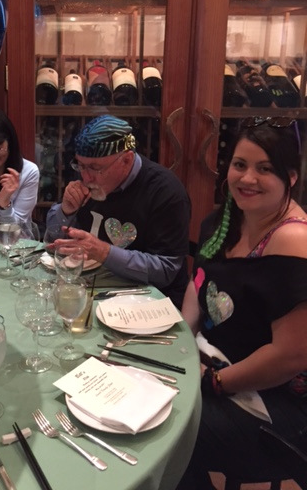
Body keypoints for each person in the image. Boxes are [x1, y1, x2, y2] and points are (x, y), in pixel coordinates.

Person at [177, 118, 307, 488]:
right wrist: (181, 341)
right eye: (240, 164)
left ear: (291, 177)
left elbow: (290, 357)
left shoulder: (293, 241)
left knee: (165, 432)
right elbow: (200, 282)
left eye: (265, 168)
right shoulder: (227, 219)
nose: (248, 178)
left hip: (281, 407)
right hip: (221, 368)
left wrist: (213, 382)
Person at [46, 115, 191, 308]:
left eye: (95, 168)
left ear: (126, 160)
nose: (86, 177)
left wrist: (104, 252)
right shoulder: (87, 171)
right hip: (93, 287)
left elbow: (166, 270)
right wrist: (66, 211)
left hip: (150, 302)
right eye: (80, 165)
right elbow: (53, 239)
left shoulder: (165, 191)